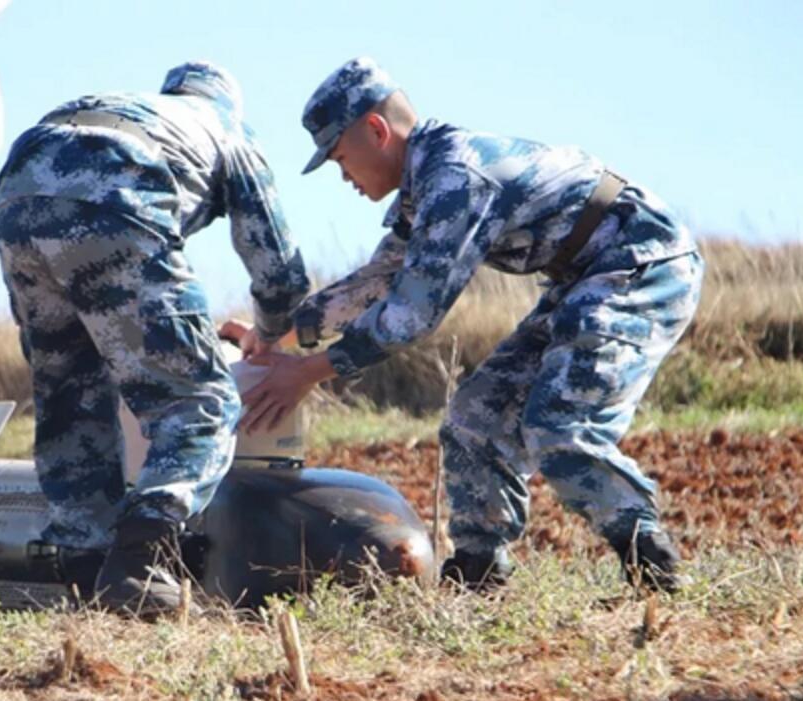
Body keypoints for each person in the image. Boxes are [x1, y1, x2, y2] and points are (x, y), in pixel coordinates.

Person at [233, 57, 702, 593]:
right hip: (582, 278)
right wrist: (275, 335)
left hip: (640, 264)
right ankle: (480, 567)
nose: (344, 178)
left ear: (377, 130)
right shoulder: (427, 185)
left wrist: (310, 371)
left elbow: (411, 313)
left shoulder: (457, 178)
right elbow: (379, 280)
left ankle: (651, 560)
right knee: (474, 419)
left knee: (559, 425)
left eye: (342, 159)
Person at [0, 62, 309, 616]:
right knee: (203, 402)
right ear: (230, 102)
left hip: (20, 185)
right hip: (116, 185)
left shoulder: (146, 109)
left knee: (72, 393)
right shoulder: (226, 128)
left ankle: (86, 567)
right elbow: (279, 268)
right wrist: (266, 332)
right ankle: (141, 560)